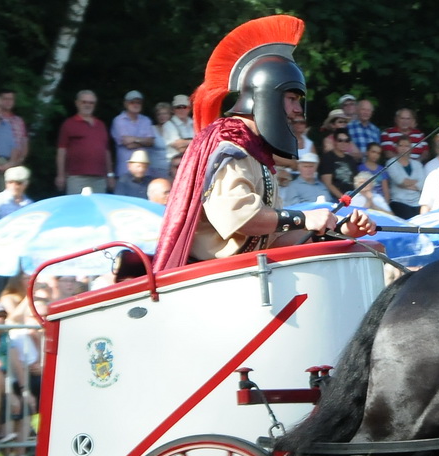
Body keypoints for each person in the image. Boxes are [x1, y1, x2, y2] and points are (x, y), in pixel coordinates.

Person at [156, 15, 375, 267]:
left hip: (242, 273)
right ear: (267, 95)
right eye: (292, 99)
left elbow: (273, 240)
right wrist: (303, 218)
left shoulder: (255, 151)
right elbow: (240, 218)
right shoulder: (230, 146)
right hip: (207, 281)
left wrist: (339, 230)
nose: (297, 111)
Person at [55, 90, 113, 195]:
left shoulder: (101, 125)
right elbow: (61, 151)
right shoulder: (69, 124)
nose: (87, 105)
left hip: (99, 178)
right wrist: (60, 175)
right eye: (84, 102)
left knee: (98, 209)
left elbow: (106, 152)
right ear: (77, 103)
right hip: (76, 177)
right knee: (75, 208)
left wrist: (110, 175)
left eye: (91, 103)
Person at [110, 91, 157, 179]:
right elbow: (127, 143)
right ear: (125, 104)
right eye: (132, 102)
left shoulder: (146, 120)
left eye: (138, 102)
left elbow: (151, 142)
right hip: (124, 171)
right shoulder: (118, 120)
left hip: (145, 171)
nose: (136, 105)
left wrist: (134, 140)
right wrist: (143, 141)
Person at [384, 136, 427, 219]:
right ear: (396, 147)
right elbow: (401, 181)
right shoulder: (391, 163)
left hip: (417, 202)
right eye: (401, 145)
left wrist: (406, 184)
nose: (403, 148)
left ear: (411, 148)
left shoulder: (417, 164)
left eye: (406, 146)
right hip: (399, 201)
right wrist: (414, 182)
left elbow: (422, 184)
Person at [319, 127, 362, 202]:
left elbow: (357, 181)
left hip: (352, 196)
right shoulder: (327, 157)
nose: (343, 143)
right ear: (334, 142)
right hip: (334, 198)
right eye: (340, 140)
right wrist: (343, 198)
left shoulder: (351, 159)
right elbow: (327, 183)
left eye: (346, 141)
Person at [160, 93, 196, 178]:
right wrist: (195, 141)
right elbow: (178, 145)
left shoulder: (194, 123)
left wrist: (184, 143)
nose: (181, 109)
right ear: (173, 109)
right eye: (178, 107)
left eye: (184, 107)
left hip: (192, 163)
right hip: (175, 166)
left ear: (189, 108)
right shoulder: (168, 125)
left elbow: (182, 146)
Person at [0, 90, 28, 176]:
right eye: (5, 99)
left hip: (15, 165)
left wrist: (17, 161)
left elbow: (24, 144)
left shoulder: (19, 121)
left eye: (11, 99)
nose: (8, 102)